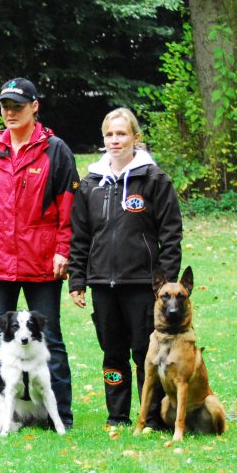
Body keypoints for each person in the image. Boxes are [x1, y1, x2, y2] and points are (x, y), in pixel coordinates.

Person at [0, 77, 79, 430]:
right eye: (5, 106)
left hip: (43, 260)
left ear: (34, 107)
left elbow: (68, 208)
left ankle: (60, 418)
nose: (10, 112)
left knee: (51, 340)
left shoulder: (55, 150)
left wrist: (64, 251)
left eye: (17, 106)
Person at [68, 108, 182, 428]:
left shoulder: (154, 179)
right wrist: (77, 279)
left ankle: (153, 417)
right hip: (102, 283)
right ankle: (117, 416)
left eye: (121, 134)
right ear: (103, 139)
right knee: (112, 353)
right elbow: (80, 235)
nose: (115, 140)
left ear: (135, 137)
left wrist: (166, 285)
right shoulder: (92, 183)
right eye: (109, 134)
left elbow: (171, 234)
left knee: (145, 352)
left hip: (144, 284)